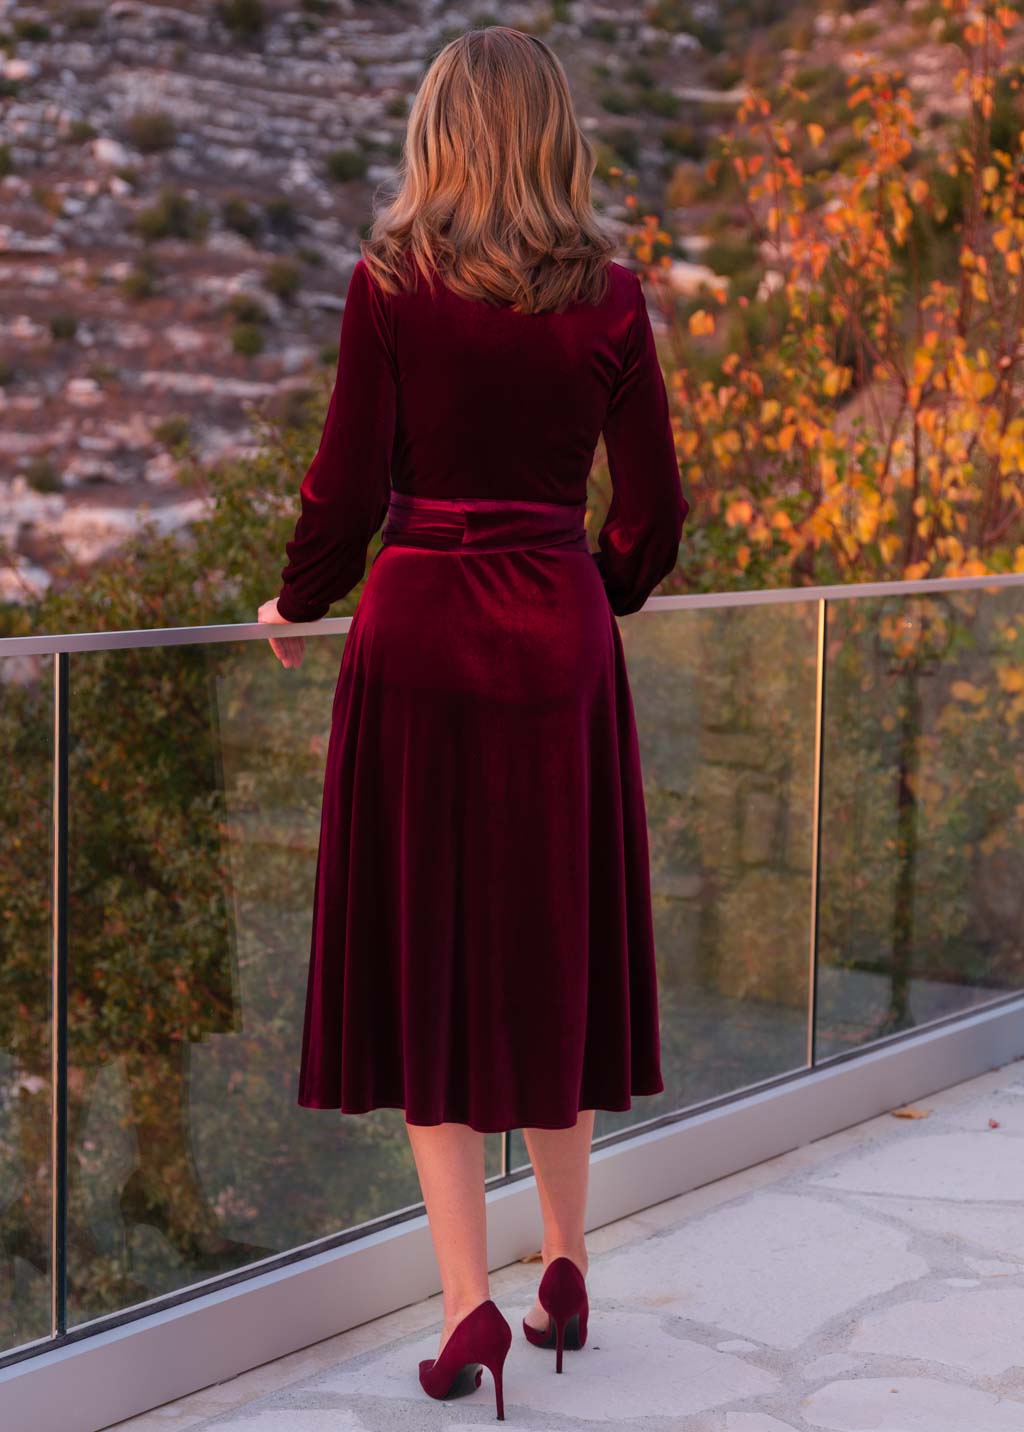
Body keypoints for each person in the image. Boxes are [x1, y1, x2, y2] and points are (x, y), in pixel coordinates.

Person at [258, 25, 688, 1422]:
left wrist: (297, 600)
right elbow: (654, 515)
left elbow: (339, 487)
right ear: (557, 137)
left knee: (429, 961)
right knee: (553, 945)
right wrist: (585, 589)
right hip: (557, 634)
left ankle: (466, 1313)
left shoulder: (390, 285)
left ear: (438, 135)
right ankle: (566, 1266)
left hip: (423, 633)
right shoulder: (612, 298)